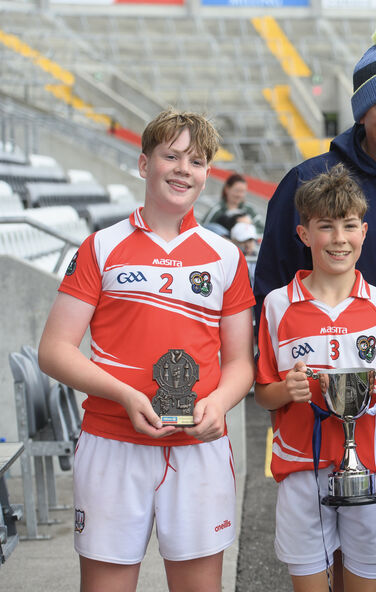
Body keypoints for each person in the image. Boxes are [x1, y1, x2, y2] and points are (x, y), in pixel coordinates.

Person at [253, 22, 376, 589]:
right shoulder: (311, 179)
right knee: (336, 558)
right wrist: (277, 393)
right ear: (361, 112)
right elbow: (270, 292)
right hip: (328, 412)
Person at [37, 109, 256, 592]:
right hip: (113, 443)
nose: (183, 169)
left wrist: (218, 404)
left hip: (197, 449)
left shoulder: (226, 256)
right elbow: (54, 350)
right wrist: (125, 396)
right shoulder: (100, 246)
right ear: (143, 164)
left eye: (196, 161)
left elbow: (241, 362)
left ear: (206, 174)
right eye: (171, 156)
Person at [254, 164, 376, 592]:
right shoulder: (276, 306)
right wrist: (287, 390)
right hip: (301, 466)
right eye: (325, 227)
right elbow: (263, 393)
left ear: (363, 231)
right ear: (304, 234)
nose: (338, 239)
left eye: (348, 226)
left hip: (371, 468)